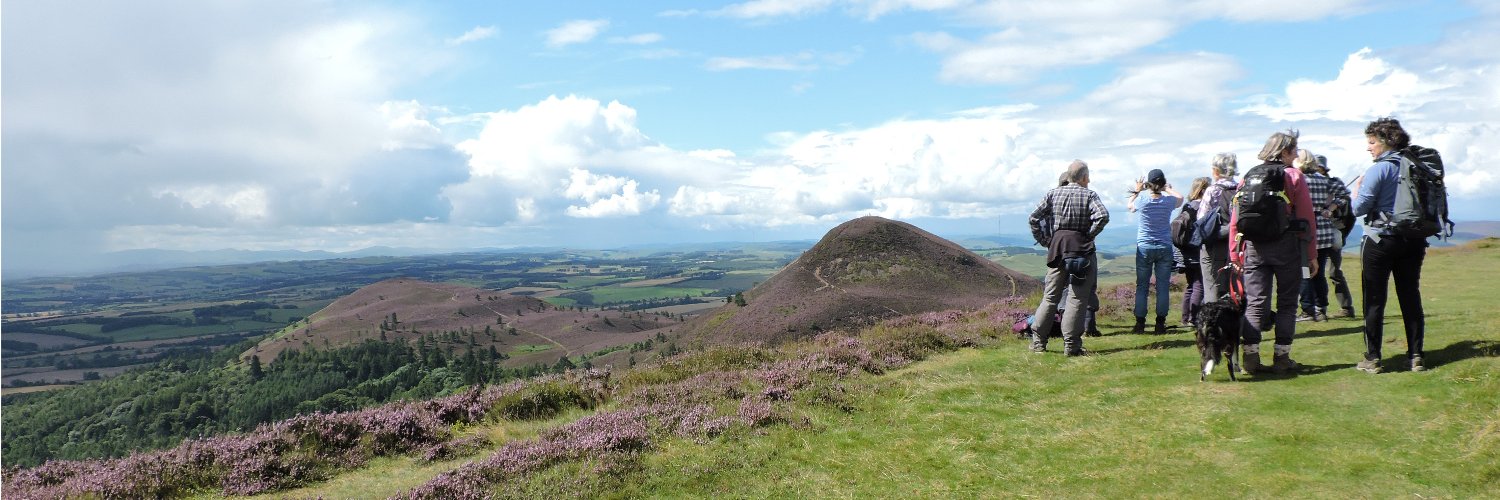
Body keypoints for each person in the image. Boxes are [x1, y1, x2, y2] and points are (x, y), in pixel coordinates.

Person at [1228, 130, 1318, 374]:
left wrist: (1235, 254)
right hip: (1287, 246)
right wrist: (1311, 254)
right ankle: (1281, 358)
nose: (1296, 155)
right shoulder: (1294, 176)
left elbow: (1236, 219)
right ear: (1285, 151)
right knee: (1287, 303)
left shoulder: (1248, 176)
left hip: (1254, 247)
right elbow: (1306, 218)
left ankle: (1251, 359)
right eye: (1294, 150)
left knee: (1255, 303)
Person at [1351, 118, 1428, 373]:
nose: (1369, 147)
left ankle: (1372, 358)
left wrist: (1356, 192)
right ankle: (1416, 356)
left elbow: (1359, 208)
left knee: (1374, 299)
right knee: (1410, 295)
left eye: (1372, 142)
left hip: (1380, 239)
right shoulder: (1417, 166)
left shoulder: (1379, 169)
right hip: (1413, 239)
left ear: (1386, 142)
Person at [1028, 160, 1110, 355]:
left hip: (1057, 248)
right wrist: (1089, 235)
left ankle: (1038, 343)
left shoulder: (1053, 194)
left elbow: (1033, 218)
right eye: (1088, 176)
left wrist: (1045, 240)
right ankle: (1072, 346)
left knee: (1050, 297)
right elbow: (1103, 216)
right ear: (1084, 177)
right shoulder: (1089, 195)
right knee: (1077, 298)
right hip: (1082, 249)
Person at [1126, 169, 1183, 334]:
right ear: (1162, 183)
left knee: (1142, 286)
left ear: (1148, 185)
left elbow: (1130, 206)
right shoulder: (1168, 201)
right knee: (1163, 286)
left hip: (1145, 246)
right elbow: (1181, 198)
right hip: (1164, 246)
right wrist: (1167, 189)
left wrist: (1137, 191)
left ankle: (1140, 323)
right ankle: (1160, 323)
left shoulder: (1142, 201)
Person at [1294, 149, 1341, 322]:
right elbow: (1343, 195)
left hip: (1305, 229)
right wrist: (1329, 209)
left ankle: (1308, 309)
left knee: (1304, 272)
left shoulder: (1298, 179)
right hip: (1324, 228)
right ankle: (1321, 307)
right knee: (1319, 272)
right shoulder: (1324, 179)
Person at [1199, 153, 1239, 302]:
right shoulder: (1240, 189)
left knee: (1212, 285)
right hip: (1236, 243)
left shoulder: (1212, 190)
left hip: (1214, 244)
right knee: (1233, 285)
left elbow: (1201, 219)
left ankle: (1212, 316)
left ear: (1216, 170)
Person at [1322, 155, 1358, 318]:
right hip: (1323, 234)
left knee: (1333, 272)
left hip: (1333, 234)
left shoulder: (1335, 187)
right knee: (1319, 273)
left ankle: (1346, 308)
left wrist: (1341, 235)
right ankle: (1317, 308)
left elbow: (1348, 216)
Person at [1176, 177, 1212, 327]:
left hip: (1185, 251)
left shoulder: (1187, 206)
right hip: (1197, 250)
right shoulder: (1203, 207)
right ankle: (1193, 318)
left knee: (1191, 285)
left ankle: (1185, 318)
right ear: (1204, 190)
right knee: (1199, 285)